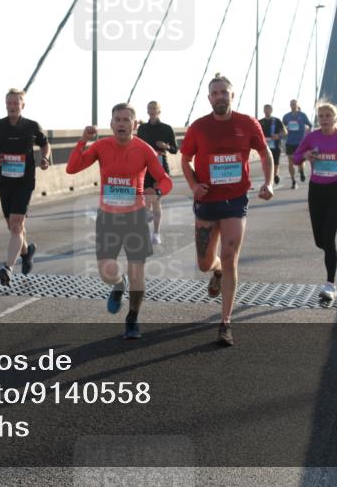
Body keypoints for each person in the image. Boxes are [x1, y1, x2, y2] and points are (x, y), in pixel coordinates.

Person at [181, 74, 274, 346]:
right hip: (207, 201)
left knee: (231, 255)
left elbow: (265, 153)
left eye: (224, 92)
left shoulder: (247, 123)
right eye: (215, 93)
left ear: (232, 95)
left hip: (235, 199)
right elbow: (185, 160)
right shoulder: (198, 127)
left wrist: (268, 182)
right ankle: (216, 270)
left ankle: (225, 323)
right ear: (209, 98)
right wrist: (194, 185)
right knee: (204, 263)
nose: (220, 96)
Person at [66, 104, 172, 339]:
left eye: (126, 120)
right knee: (106, 272)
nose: (122, 123)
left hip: (135, 219)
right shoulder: (102, 146)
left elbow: (165, 179)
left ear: (135, 125)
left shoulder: (144, 150)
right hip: (107, 218)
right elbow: (72, 168)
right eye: (117, 119)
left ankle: (133, 318)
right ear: (111, 124)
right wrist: (83, 140)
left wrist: (158, 191)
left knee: (137, 274)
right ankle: (117, 284)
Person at [0, 89, 51, 286]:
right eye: (9, 103)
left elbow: (45, 145)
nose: (12, 106)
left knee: (17, 224)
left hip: (25, 182)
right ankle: (27, 252)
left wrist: (45, 158)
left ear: (22, 105)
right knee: (13, 228)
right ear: (5, 104)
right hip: (5, 182)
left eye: (16, 103)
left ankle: (8, 268)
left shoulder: (32, 126)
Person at [291, 102, 337, 301]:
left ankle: (330, 284)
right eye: (321, 115)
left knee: (329, 239)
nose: (324, 119)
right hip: (316, 192)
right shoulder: (311, 137)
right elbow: (295, 158)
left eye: (328, 115)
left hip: (336, 191)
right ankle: (328, 252)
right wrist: (305, 155)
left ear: (335, 117)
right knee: (320, 240)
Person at [136, 101, 177, 246]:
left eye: (154, 108)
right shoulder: (142, 128)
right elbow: (137, 145)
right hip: (145, 167)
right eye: (149, 108)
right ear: (147, 111)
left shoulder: (167, 128)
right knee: (146, 200)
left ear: (159, 111)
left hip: (160, 166)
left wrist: (165, 146)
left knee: (156, 199)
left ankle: (156, 233)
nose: (151, 110)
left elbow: (174, 149)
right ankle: (146, 231)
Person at [282, 99, 313, 189]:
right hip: (290, 142)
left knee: (300, 160)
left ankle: (302, 172)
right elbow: (282, 127)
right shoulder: (286, 116)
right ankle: (293, 181)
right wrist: (284, 130)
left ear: (297, 105)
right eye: (291, 104)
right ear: (290, 105)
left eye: (294, 104)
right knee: (291, 161)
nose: (293, 106)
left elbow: (310, 125)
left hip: (301, 142)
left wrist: (308, 130)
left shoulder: (302, 115)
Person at [258, 104, 287, 185]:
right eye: (265, 109)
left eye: (268, 109)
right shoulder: (260, 122)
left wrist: (278, 135)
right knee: (266, 163)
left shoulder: (277, 120)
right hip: (265, 146)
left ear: (271, 110)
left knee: (275, 163)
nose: (267, 111)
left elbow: (285, 132)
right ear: (263, 111)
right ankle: (269, 178)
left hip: (276, 145)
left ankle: (275, 175)